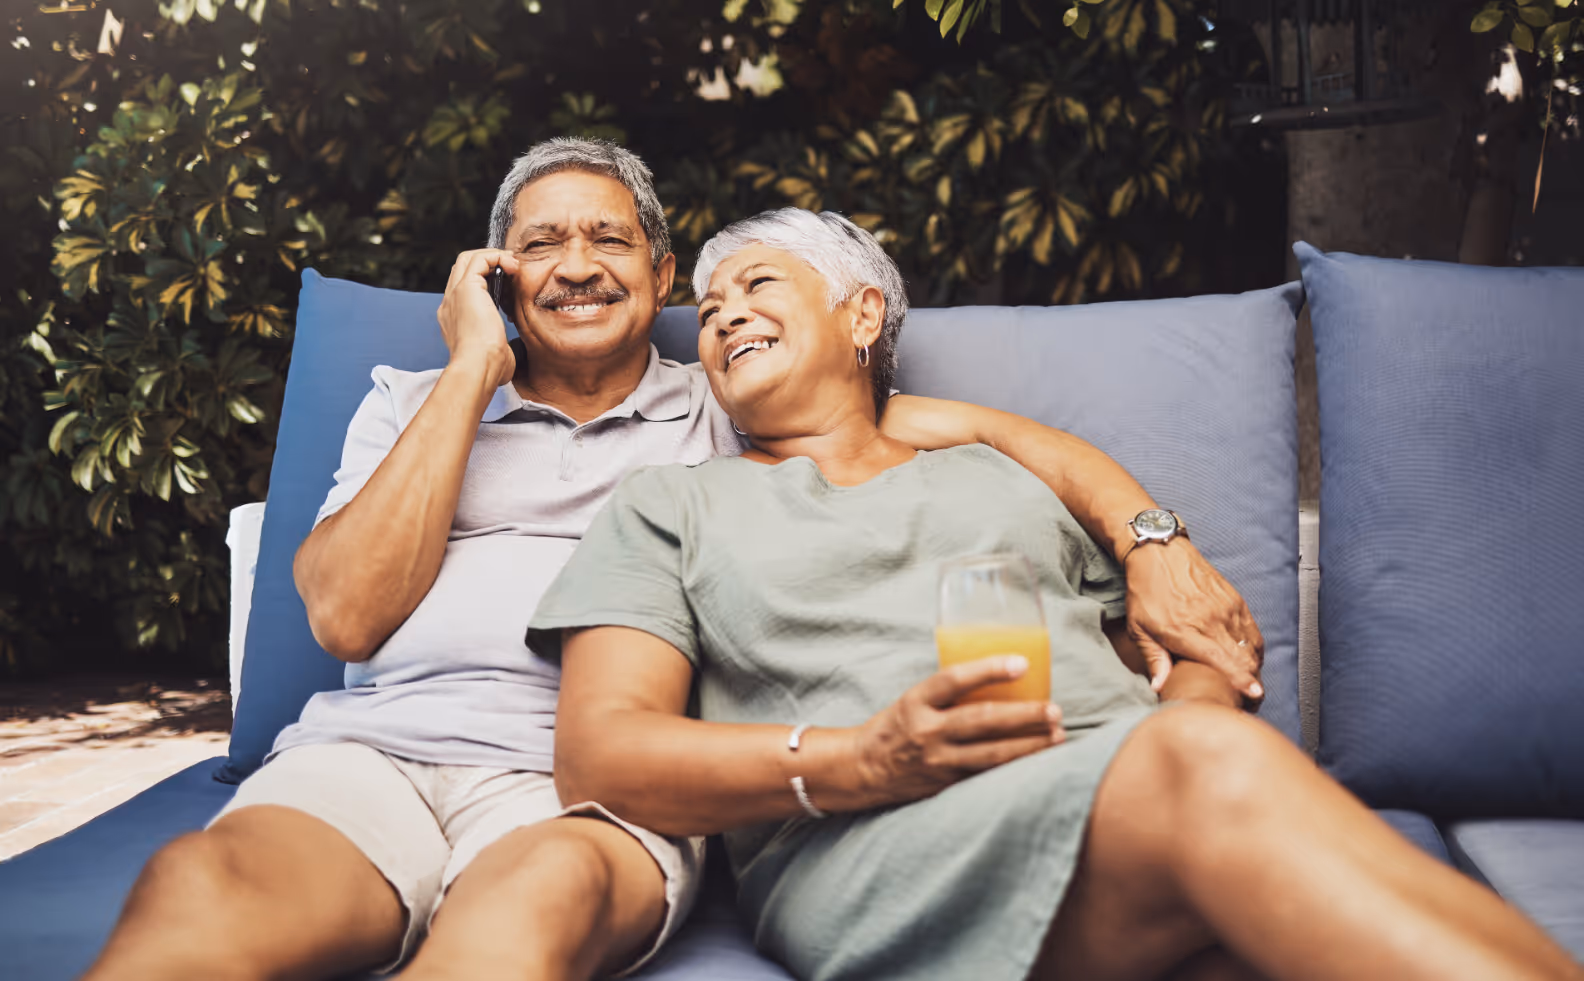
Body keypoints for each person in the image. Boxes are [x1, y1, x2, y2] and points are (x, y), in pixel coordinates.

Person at [82, 141, 1260, 981]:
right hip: (374, 760)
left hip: (584, 788)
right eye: (539, 245)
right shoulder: (414, 402)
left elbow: (1006, 439)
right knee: (197, 897)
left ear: (659, 282)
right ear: (498, 280)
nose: (577, 262)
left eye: (610, 239)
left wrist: (1150, 541)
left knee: (520, 915)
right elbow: (342, 618)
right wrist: (467, 375)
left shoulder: (731, 403)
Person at [530, 208, 1583, 981]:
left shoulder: (996, 472)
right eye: (710, 310)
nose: (724, 317)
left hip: (1136, 797)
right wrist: (860, 759)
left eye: (758, 285)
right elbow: (601, 754)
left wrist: (1199, 717)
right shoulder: (673, 504)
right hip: (880, 838)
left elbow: (1175, 661)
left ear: (861, 317)